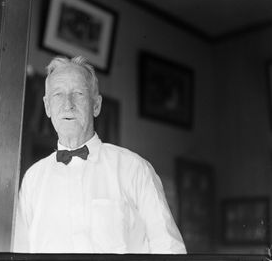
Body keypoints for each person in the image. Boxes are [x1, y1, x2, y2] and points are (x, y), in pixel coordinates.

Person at [13, 56, 186, 254]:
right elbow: (20, 253)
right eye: (58, 95)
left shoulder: (135, 169)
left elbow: (170, 250)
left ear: (96, 105)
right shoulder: (33, 180)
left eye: (78, 93)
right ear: (47, 107)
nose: (67, 104)